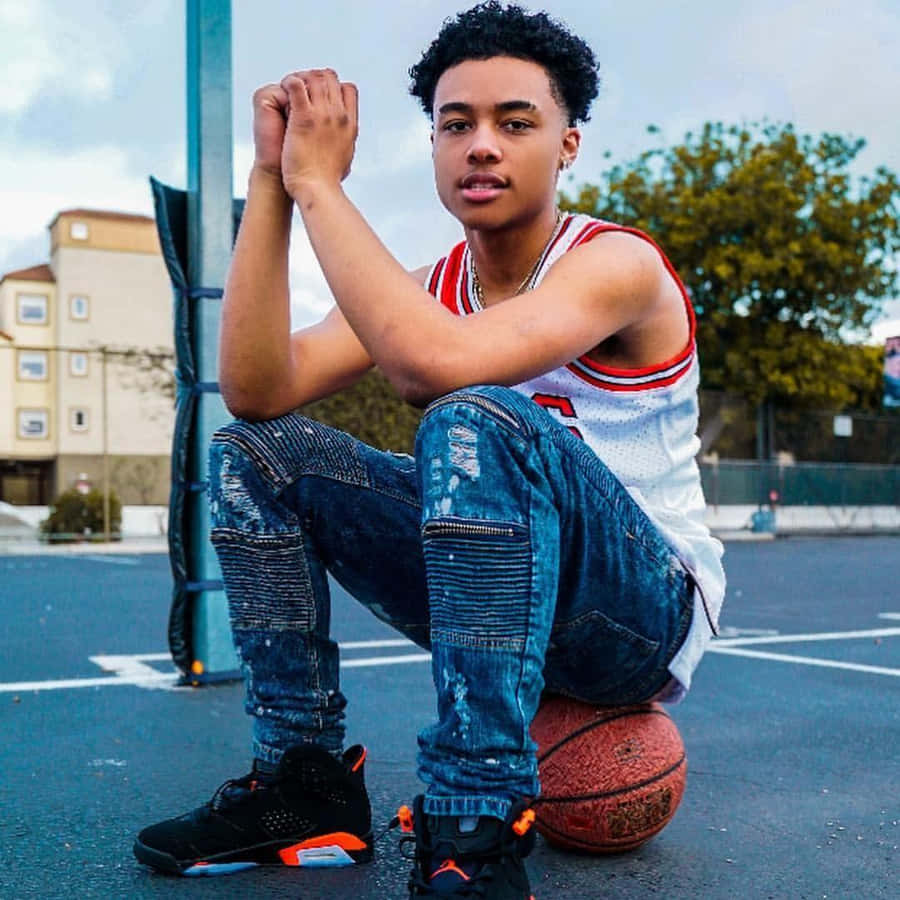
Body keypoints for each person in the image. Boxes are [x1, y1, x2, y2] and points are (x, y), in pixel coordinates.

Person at [133, 3, 725, 897]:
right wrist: (274, 180)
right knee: (256, 451)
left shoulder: (616, 265)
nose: (481, 145)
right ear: (435, 145)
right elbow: (257, 389)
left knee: (473, 414)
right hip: (493, 593)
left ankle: (474, 821)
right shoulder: (429, 286)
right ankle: (305, 782)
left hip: (634, 615)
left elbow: (433, 366)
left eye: (515, 122)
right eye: (457, 125)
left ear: (568, 144)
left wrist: (326, 188)